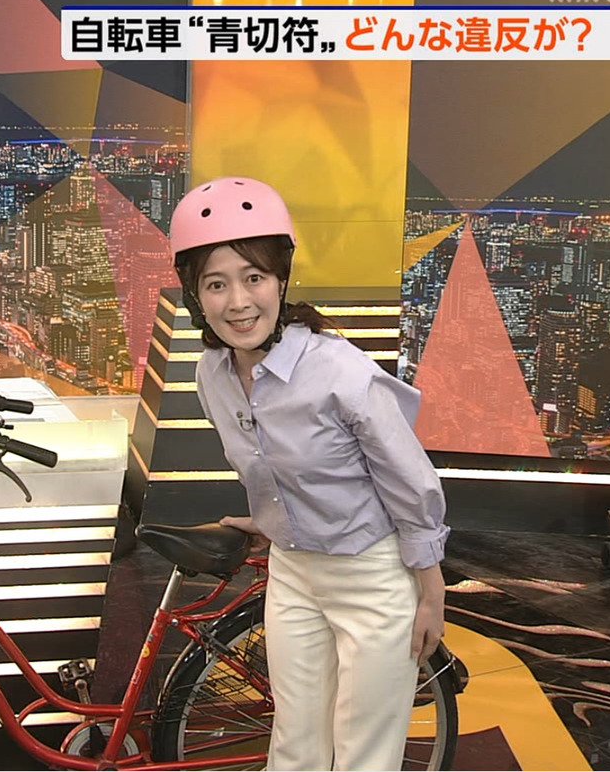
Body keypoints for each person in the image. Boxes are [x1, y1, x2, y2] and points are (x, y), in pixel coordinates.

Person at [169, 176, 449, 771]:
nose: (238, 302)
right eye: (216, 284)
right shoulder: (212, 374)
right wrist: (275, 517)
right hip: (293, 571)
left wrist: (431, 591)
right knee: (295, 744)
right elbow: (272, 464)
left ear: (280, 280)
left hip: (372, 574)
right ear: (196, 295)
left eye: (254, 278)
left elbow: (410, 482)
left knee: (363, 754)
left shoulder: (340, 372)